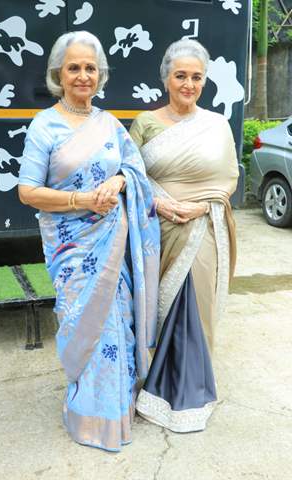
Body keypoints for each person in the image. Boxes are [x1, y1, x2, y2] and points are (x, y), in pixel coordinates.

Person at [18, 31, 160, 452]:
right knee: (84, 325)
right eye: (74, 68)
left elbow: (135, 172)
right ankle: (87, 413)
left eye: (90, 68)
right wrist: (81, 200)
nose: (83, 76)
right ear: (59, 74)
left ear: (101, 75)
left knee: (115, 325)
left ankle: (117, 410)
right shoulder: (45, 125)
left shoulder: (110, 124)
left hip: (114, 244)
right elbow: (27, 192)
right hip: (72, 248)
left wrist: (118, 180)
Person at [129, 39, 239, 433]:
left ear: (204, 80)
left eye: (196, 77)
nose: (189, 84)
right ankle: (156, 381)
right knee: (162, 307)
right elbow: (131, 177)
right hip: (158, 230)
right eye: (181, 76)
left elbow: (229, 177)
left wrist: (204, 207)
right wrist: (160, 205)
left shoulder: (216, 124)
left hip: (204, 228)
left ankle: (192, 388)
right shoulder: (145, 123)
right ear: (166, 79)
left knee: (195, 306)